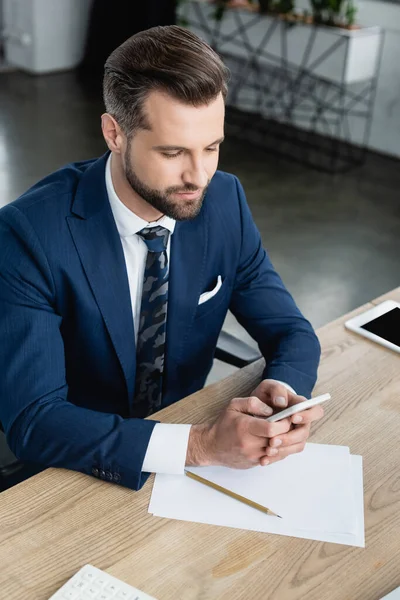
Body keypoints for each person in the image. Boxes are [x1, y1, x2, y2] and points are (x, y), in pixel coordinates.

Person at [0, 26, 323, 491]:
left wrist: (285, 395)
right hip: (78, 468)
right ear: (115, 133)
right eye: (173, 152)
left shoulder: (224, 201)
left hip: (194, 450)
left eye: (211, 147)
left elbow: (291, 331)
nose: (199, 175)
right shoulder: (29, 235)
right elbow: (35, 420)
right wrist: (198, 447)